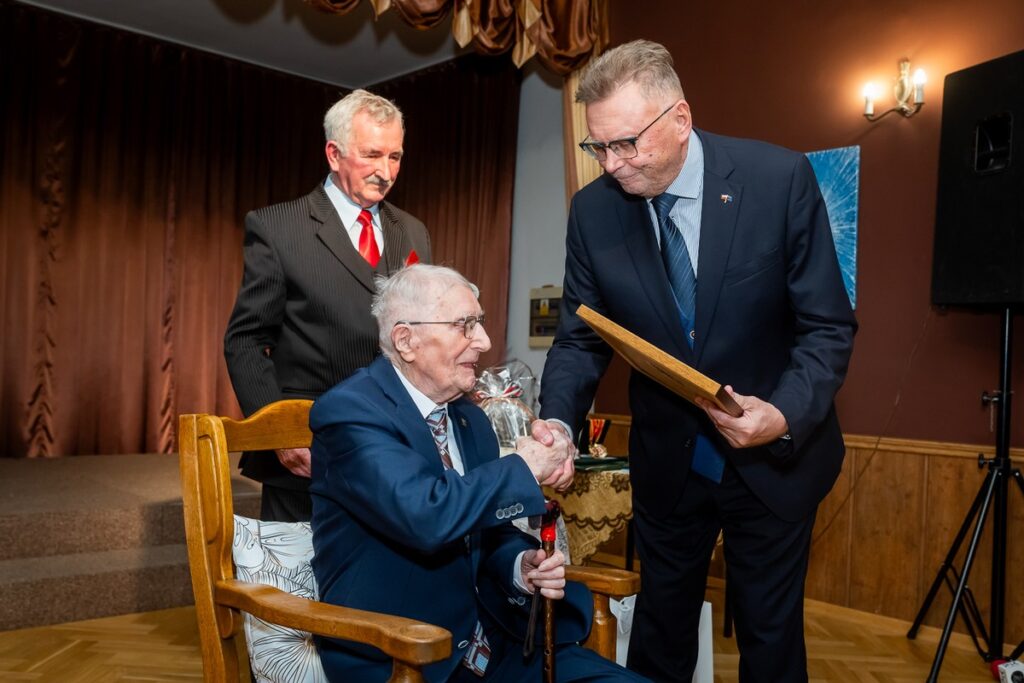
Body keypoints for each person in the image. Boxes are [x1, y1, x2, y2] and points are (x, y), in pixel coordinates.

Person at [534, 40, 857, 682]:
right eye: (597, 147)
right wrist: (560, 424)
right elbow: (580, 336)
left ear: (680, 119)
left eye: (626, 143)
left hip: (771, 462)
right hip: (669, 464)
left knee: (769, 640)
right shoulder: (593, 212)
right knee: (659, 634)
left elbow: (826, 327)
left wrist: (783, 415)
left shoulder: (777, 180)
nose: (613, 164)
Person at [308, 264, 647, 682]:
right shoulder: (350, 412)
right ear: (406, 340)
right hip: (406, 654)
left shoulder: (470, 418)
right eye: (465, 325)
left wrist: (519, 566)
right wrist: (523, 466)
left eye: (480, 324)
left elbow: (491, 533)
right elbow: (427, 516)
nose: (484, 342)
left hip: (500, 642)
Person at [224, 89, 430, 522]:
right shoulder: (278, 227)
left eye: (395, 157)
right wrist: (278, 434)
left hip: (396, 451)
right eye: (372, 155)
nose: (386, 171)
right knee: (300, 590)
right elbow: (245, 340)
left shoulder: (413, 232)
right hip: (307, 454)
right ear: (334, 154)